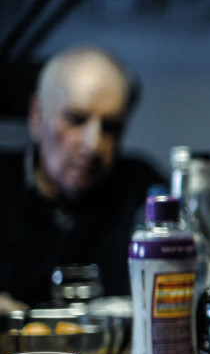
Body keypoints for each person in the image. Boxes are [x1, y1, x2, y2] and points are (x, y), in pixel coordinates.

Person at [0, 46, 164, 310]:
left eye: (111, 127)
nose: (93, 145)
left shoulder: (142, 189)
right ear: (37, 116)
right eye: (75, 120)